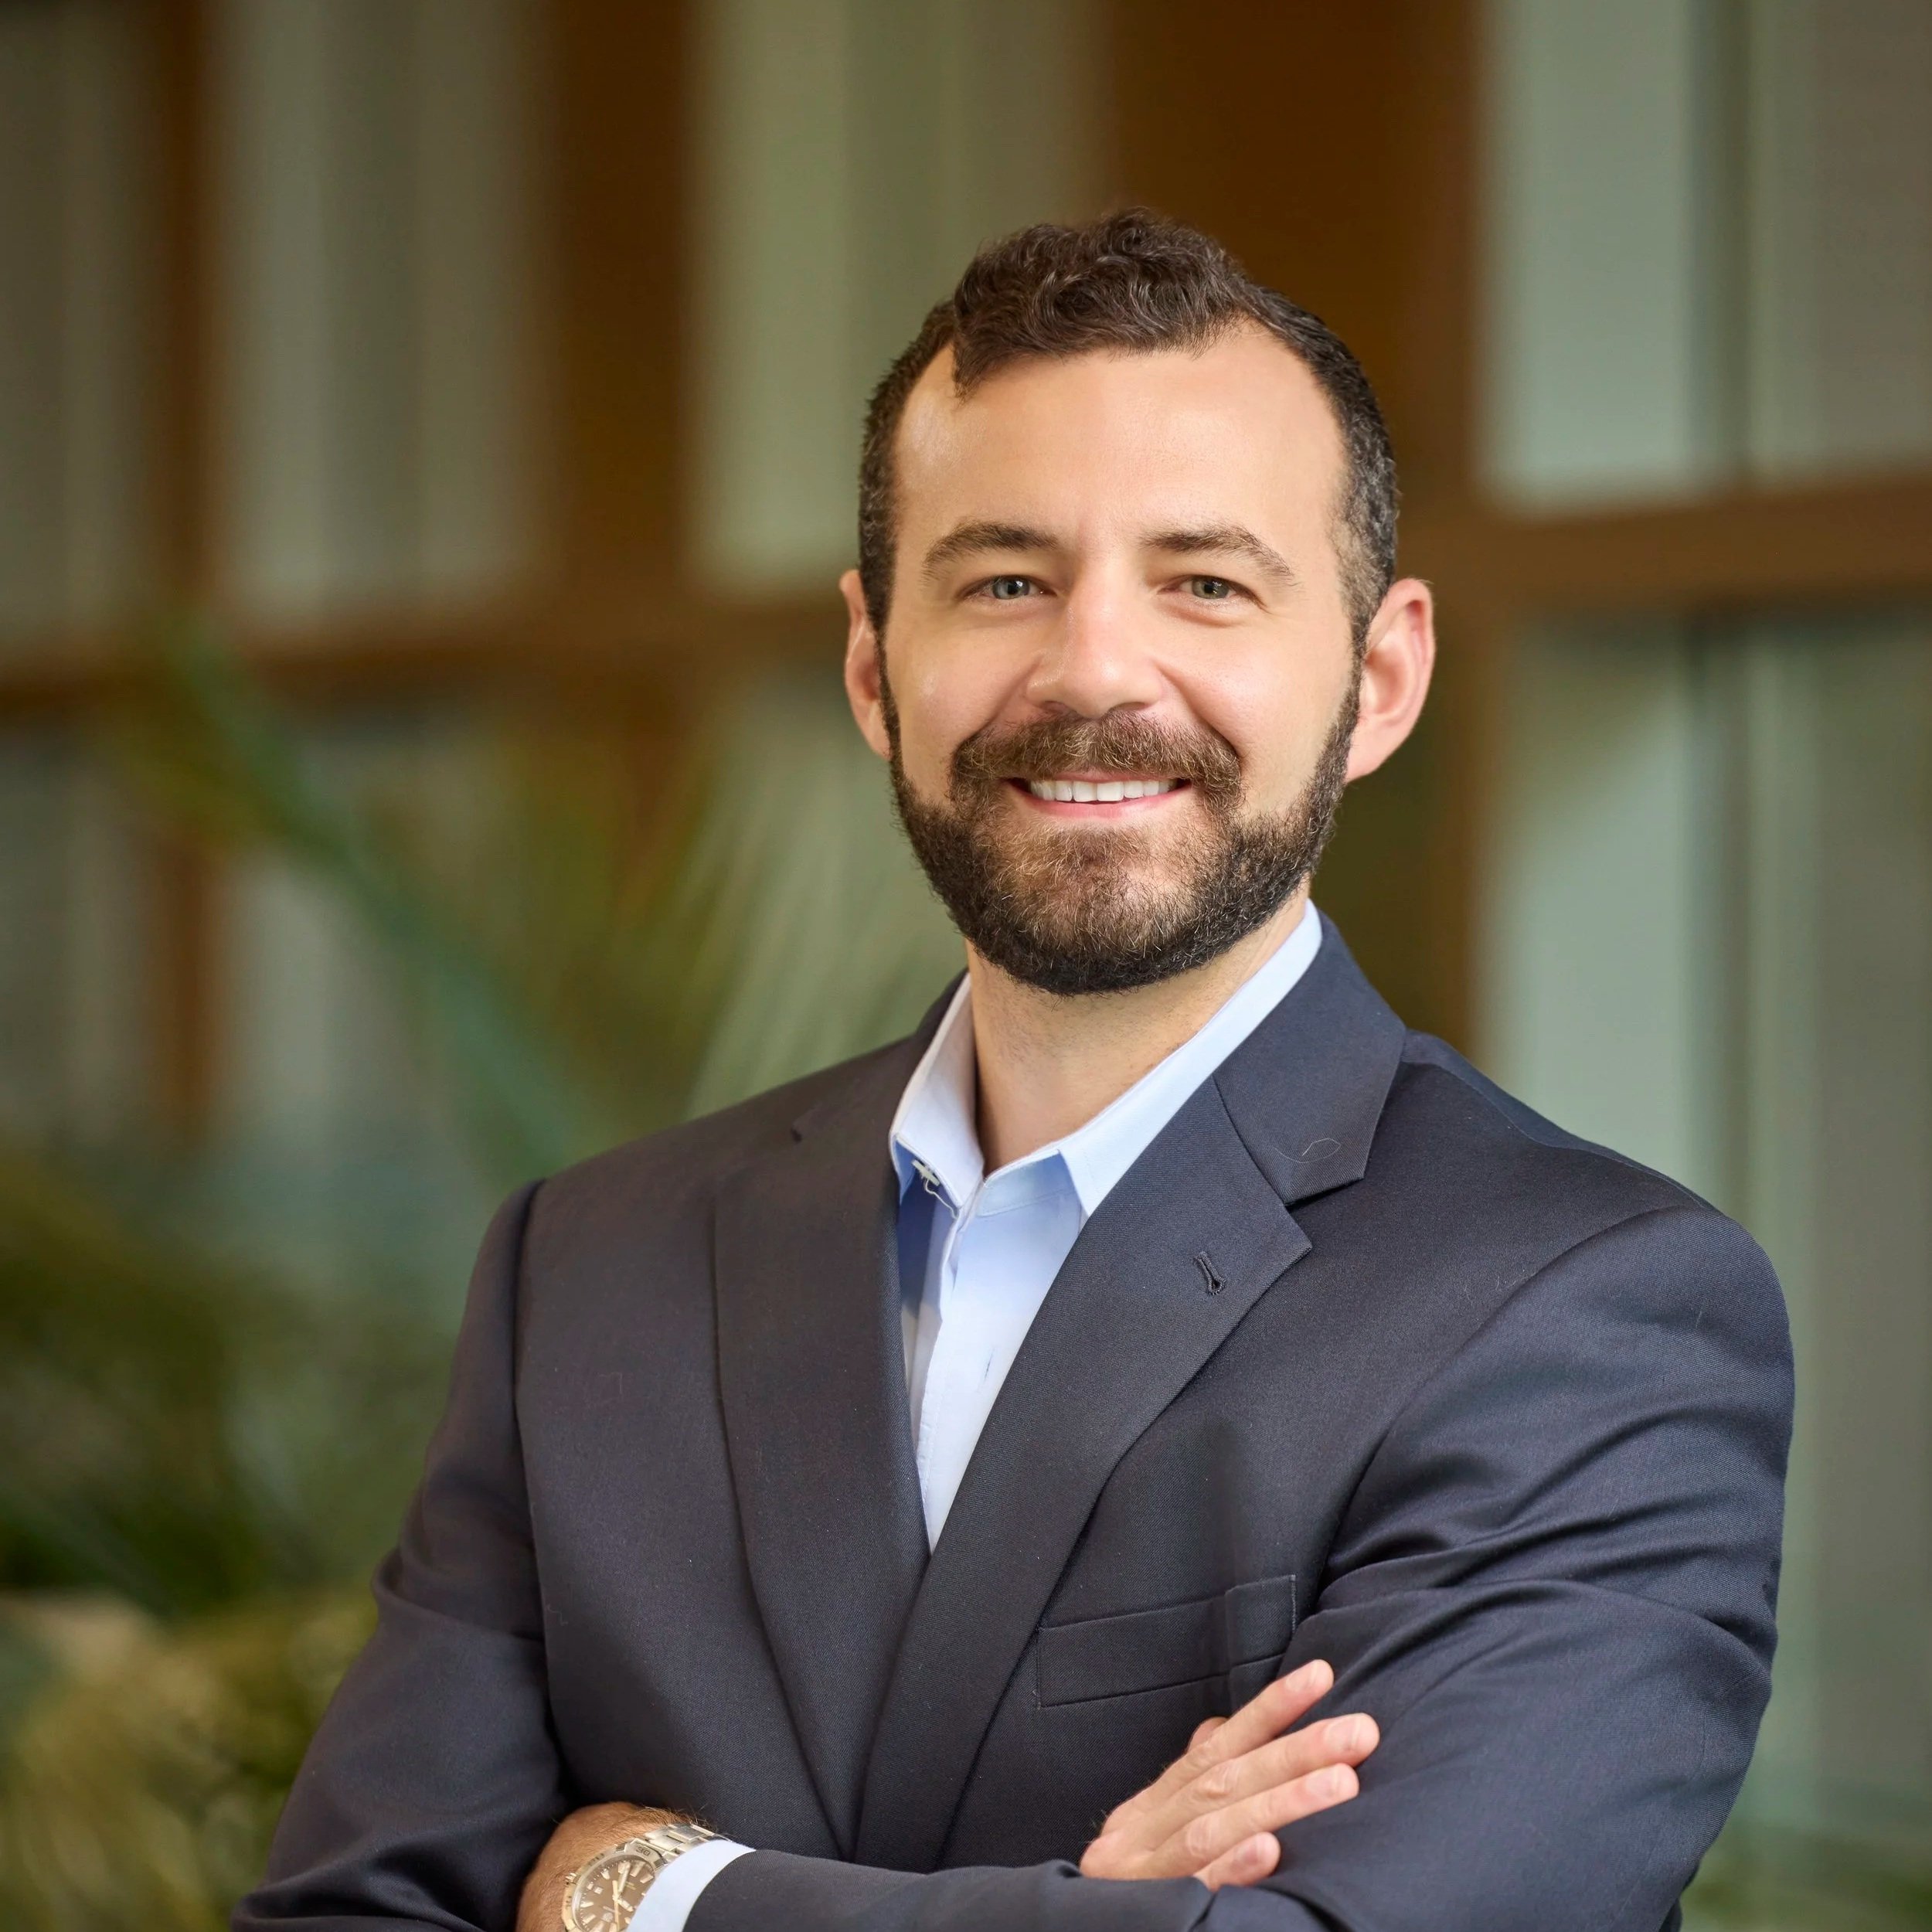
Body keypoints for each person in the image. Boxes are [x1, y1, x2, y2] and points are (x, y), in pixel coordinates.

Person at [237, 213, 1791, 1932]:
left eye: (1203, 580)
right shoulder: (590, 1266)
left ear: (1379, 673)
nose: (1091, 672)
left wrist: (646, 1890)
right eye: (1002, 580)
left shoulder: (1589, 1311)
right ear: (865, 664)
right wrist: (1085, 1904)